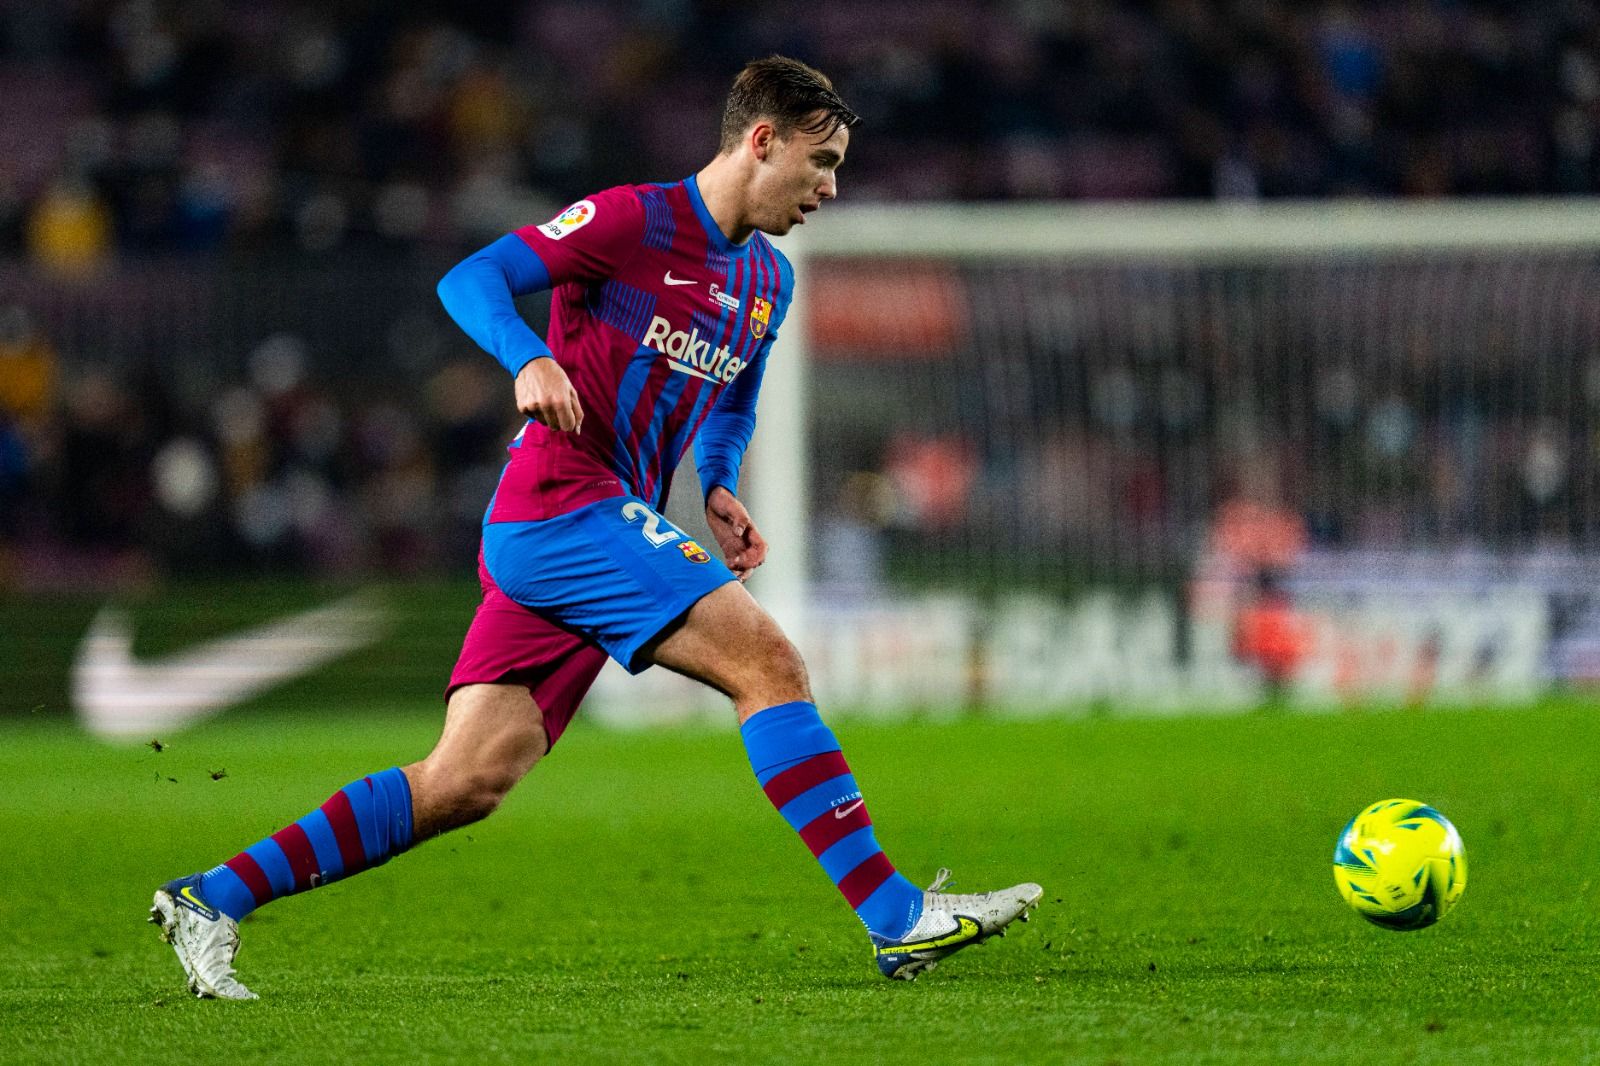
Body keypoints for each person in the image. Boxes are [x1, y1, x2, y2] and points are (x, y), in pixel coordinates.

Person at [149, 56, 1040, 1000]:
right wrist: (529, 357)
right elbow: (474, 276)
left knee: (466, 779)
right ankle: (894, 917)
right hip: (560, 504)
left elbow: (735, 396)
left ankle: (212, 897)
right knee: (769, 665)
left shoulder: (767, 280)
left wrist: (722, 482)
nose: (831, 188)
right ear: (761, 140)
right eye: (821, 163)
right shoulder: (632, 220)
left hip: (598, 528)